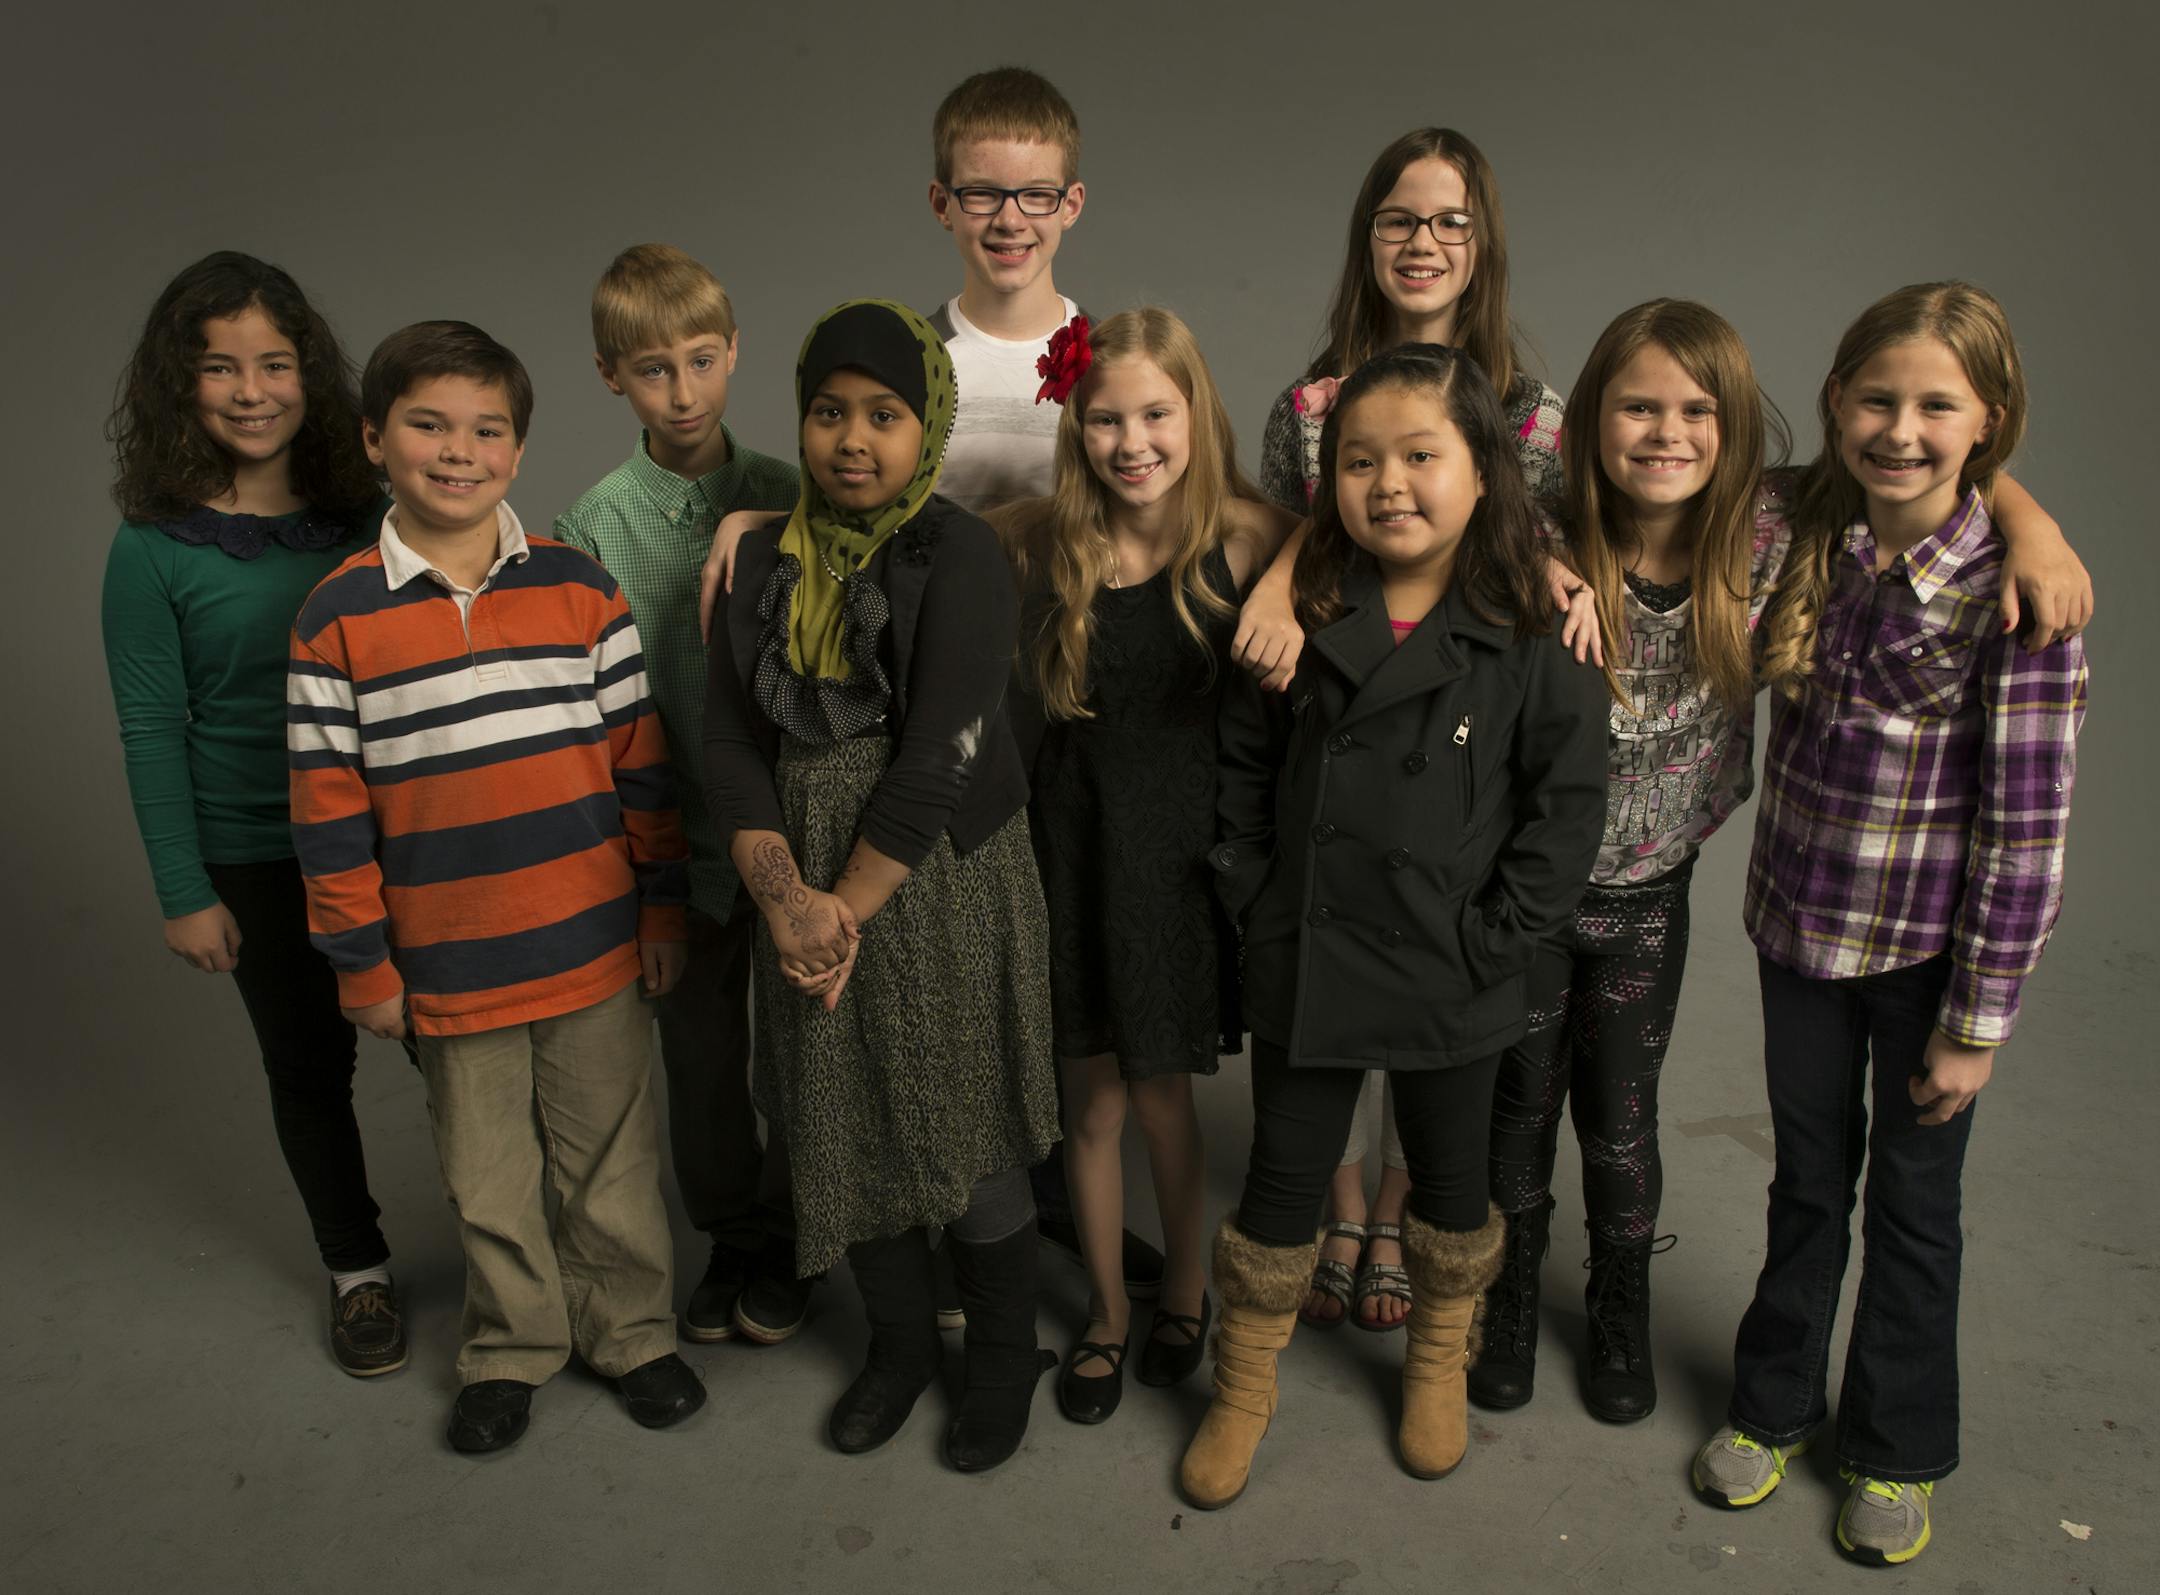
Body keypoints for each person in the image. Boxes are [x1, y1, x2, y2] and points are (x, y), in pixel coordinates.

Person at [1478, 300, 2094, 1423]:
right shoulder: (1545, 518)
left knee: (1622, 1121)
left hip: (1654, 896)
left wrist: (2033, 522)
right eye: (1637, 407)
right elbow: (1455, 463)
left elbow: (1933, 472)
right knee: (1515, 1113)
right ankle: (1509, 1289)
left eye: (1697, 410)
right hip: (1524, 892)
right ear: (1589, 426)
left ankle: (1622, 1297)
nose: (1666, 432)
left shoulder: (1766, 523)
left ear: (1735, 430)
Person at [1690, 283, 2087, 1567]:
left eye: (1936, 406)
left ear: (1990, 422)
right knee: (1807, 1182)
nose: (1900, 428)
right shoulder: (1798, 521)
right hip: (1798, 937)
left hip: (1929, 966)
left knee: (1917, 1210)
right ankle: (1774, 1404)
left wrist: (1977, 1026)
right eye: (1876, 397)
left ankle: (1898, 1446)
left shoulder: (2015, 597)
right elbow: (1662, 485)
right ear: (1836, 403)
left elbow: (2027, 832)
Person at [1182, 343, 1607, 1510]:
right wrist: (1255, 893)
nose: (1390, 483)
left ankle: (1436, 1362)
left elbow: (1568, 808)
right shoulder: (1305, 606)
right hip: (1310, 952)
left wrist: (1498, 937)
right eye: (1359, 460)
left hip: (1454, 965)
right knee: (1281, 1182)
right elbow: (1242, 761)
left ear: (1484, 473)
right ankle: (1245, 1387)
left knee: (1453, 1183)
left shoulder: (1533, 628)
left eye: (1423, 455)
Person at [288, 320, 701, 1454]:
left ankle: (633, 1330)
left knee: (612, 1155)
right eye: (428, 425)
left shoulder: (579, 587)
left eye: (487, 430)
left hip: (593, 941)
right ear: (376, 439)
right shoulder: (337, 617)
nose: (457, 451)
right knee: (488, 1173)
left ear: (518, 452)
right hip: (448, 959)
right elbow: (325, 814)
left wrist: (662, 905)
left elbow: (642, 764)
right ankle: (514, 1344)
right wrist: (362, 962)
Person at [701, 299, 1061, 1473]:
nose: (853, 439)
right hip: (797, 887)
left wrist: (839, 907)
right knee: (838, 1119)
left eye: (885, 415)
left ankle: (1003, 1352)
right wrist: (784, 900)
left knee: (965, 1120)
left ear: (930, 427)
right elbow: (728, 739)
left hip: (936, 879)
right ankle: (900, 1345)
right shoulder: (758, 557)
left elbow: (942, 754)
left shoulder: (956, 553)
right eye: (827, 411)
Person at [1240, 128, 1576, 1328]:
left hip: (1465, 730)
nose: (1423, 242)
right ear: (1366, 238)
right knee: (1328, 999)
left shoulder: (1535, 414)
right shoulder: (1311, 399)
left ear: (1482, 245)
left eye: (1449, 221)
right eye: (1399, 219)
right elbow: (1307, 523)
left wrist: (1562, 571)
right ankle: (1337, 1212)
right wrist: (1280, 581)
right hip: (1341, 721)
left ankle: (1396, 1220)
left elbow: (1533, 546)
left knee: (1430, 1012)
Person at [99, 251, 405, 1378]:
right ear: (180, 384)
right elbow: (149, 729)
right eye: (220, 366)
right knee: (308, 1070)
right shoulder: (150, 550)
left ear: (309, 376)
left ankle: (515, 1254)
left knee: (453, 1050)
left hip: (389, 843)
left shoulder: (369, 518)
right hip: (254, 853)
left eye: (274, 362)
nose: (250, 388)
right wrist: (185, 889)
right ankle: (357, 1270)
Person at [996, 308, 1293, 1422]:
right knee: (1091, 1103)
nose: (1132, 442)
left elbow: (1336, 534)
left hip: (1177, 864)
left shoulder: (1247, 536)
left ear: (1194, 412)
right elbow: (902, 528)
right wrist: (752, 513)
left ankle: (1185, 1285)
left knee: (1164, 1095)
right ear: (1077, 428)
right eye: (1105, 419)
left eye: (1155, 414)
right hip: (1070, 845)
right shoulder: (1046, 536)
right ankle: (1108, 1314)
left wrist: (1274, 587)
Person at [554, 244, 808, 1347]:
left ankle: (805, 1236)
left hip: (795, 835)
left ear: (735, 351)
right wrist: (645, 870)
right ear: (612, 376)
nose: (686, 390)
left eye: (704, 360)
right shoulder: (593, 525)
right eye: (655, 370)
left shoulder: (792, 494)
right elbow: (596, 717)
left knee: (805, 1054)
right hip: (676, 847)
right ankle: (736, 1240)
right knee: (704, 1063)